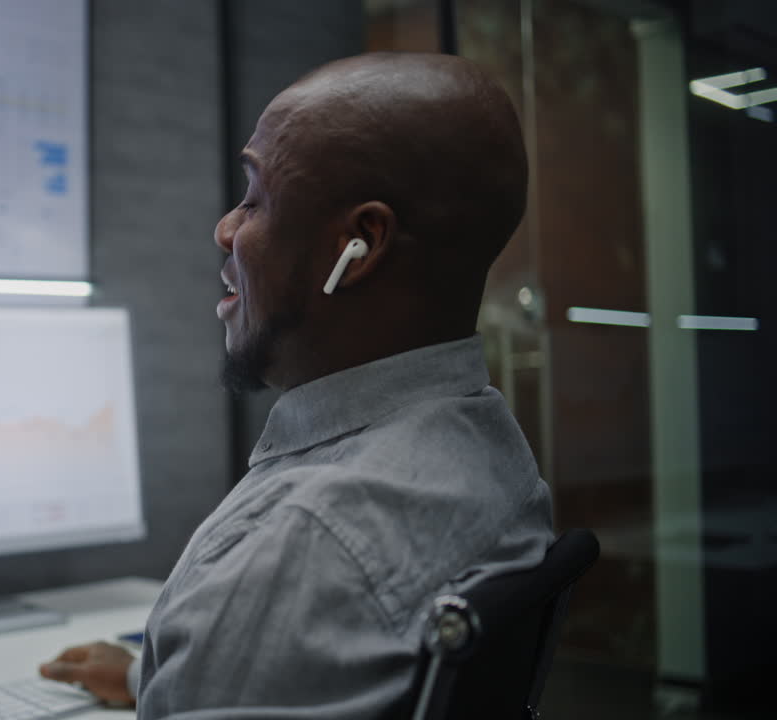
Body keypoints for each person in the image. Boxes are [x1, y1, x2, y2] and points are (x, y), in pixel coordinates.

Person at [40, 51, 554, 718]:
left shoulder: (302, 545)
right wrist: (158, 675)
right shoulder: (492, 452)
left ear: (360, 244)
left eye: (254, 197)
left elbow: (303, 591)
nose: (224, 229)